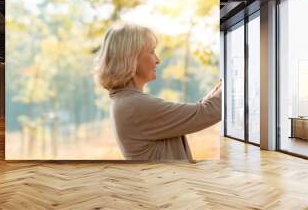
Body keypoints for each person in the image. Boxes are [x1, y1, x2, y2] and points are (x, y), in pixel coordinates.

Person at [94, 23, 222, 161]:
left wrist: (221, 84)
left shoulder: (125, 101)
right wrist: (235, 80)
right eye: (151, 52)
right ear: (130, 58)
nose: (157, 60)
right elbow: (205, 113)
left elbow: (201, 110)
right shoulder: (134, 105)